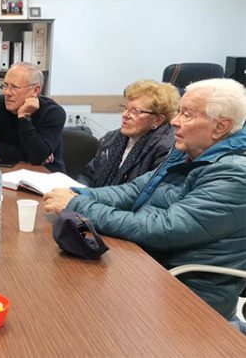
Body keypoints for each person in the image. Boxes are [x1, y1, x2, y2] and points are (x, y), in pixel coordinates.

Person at [44, 78, 246, 331]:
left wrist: (78, 205)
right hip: (149, 269)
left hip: (186, 297)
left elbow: (165, 229)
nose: (175, 121)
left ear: (221, 127)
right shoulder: (187, 154)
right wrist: (75, 194)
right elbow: (131, 191)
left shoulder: (233, 175)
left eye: (187, 114)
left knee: (72, 312)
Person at [77, 79, 179, 187]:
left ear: (158, 120)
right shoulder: (112, 138)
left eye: (135, 111)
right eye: (126, 108)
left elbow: (144, 194)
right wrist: (78, 191)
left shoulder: (167, 150)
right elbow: (87, 175)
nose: (125, 115)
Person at [0, 62, 66, 172]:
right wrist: (27, 154)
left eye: (14, 87)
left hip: (46, 176)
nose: (7, 92)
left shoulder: (53, 113)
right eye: (5, 85)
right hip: (9, 173)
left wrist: (24, 117)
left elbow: (38, 157)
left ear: (35, 90)